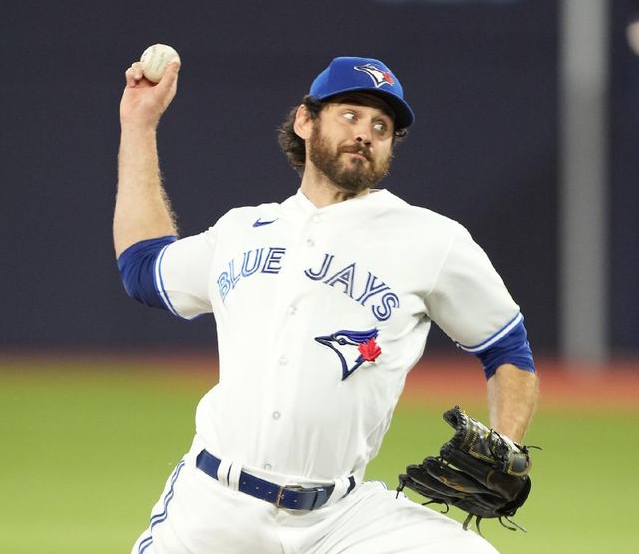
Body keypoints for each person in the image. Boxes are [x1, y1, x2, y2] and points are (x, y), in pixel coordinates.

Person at [115, 54, 538, 554]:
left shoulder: (432, 240)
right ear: (305, 121)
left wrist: (506, 444)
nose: (366, 132)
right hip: (212, 508)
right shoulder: (241, 230)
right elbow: (142, 268)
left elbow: (508, 348)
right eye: (350, 114)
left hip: (342, 519)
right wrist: (139, 123)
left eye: (382, 126)